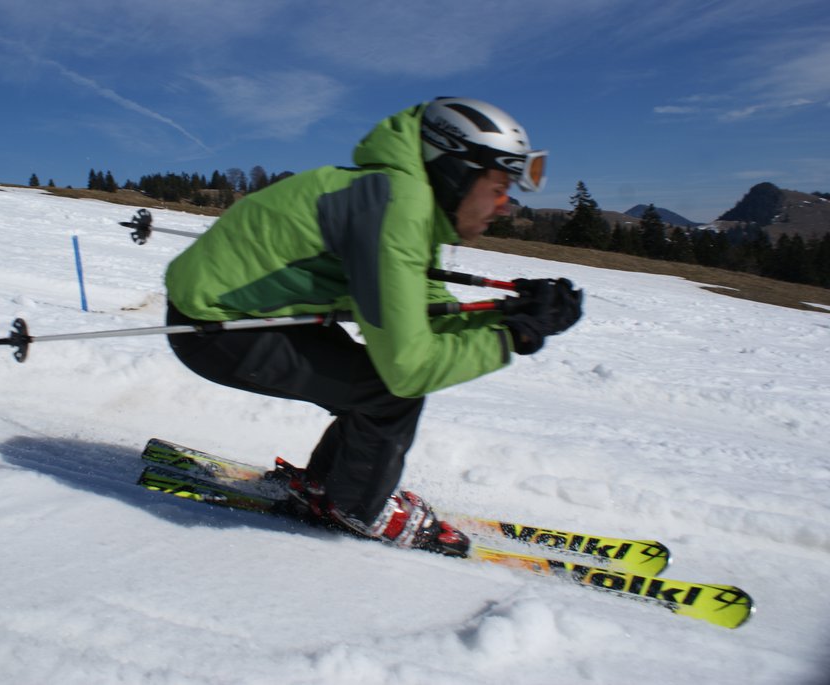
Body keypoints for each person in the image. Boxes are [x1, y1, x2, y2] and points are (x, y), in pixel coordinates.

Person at [164, 97, 582, 556]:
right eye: (499, 187)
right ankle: (357, 508)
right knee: (389, 392)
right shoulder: (395, 207)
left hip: (243, 315)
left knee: (376, 385)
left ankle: (328, 487)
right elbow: (409, 368)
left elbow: (426, 314)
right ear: (456, 171)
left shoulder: (401, 201)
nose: (505, 206)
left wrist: (509, 314)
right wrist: (515, 335)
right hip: (214, 325)